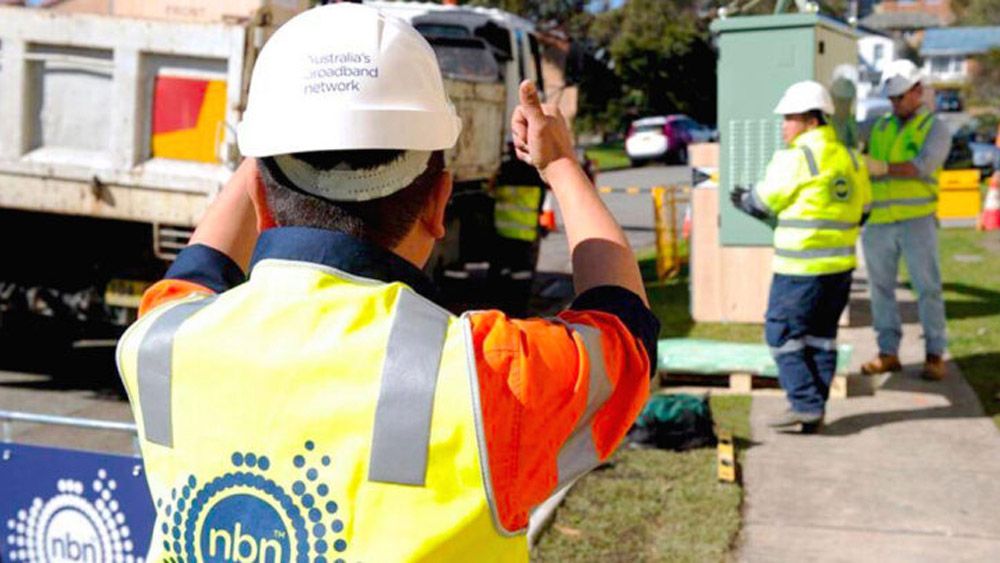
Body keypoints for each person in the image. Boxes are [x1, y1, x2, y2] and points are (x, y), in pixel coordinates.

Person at [115, 4, 658, 561]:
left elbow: (199, 266)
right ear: (439, 202)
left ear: (260, 196)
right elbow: (625, 332)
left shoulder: (161, 344)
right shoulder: (489, 378)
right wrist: (562, 165)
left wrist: (275, 136)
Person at [731, 81, 872, 432]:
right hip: (840, 269)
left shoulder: (797, 158)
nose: (784, 126)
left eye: (789, 119)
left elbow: (762, 202)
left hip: (799, 269)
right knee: (822, 338)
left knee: (781, 334)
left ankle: (805, 404)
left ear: (811, 121)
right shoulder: (852, 159)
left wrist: (743, 200)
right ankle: (815, 407)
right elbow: (864, 210)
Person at [860, 59, 952, 381]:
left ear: (918, 91)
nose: (895, 103)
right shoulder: (880, 125)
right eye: (891, 98)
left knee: (927, 288)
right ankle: (888, 353)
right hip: (880, 221)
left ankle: (934, 354)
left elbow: (923, 165)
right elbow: (852, 141)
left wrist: (883, 167)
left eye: (900, 97)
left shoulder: (935, 129)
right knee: (880, 289)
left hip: (917, 220)